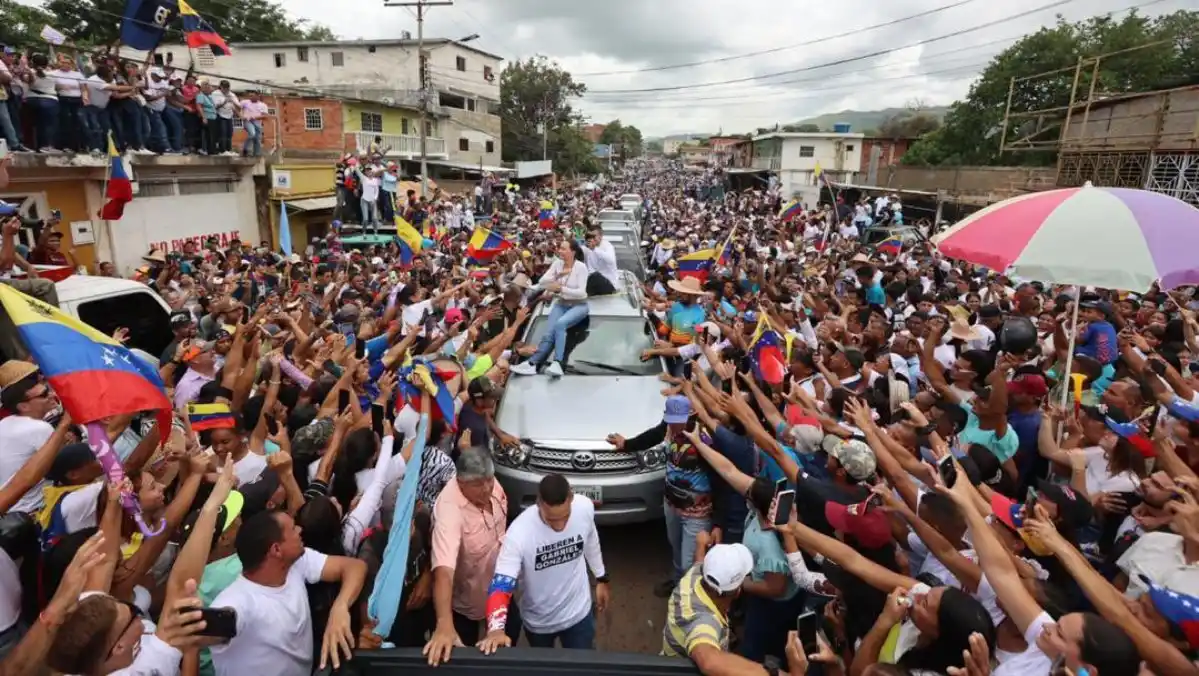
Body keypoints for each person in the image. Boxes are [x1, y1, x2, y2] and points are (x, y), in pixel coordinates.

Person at [208, 510, 368, 675]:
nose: (299, 529)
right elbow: (211, 630)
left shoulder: (297, 563)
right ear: (276, 549)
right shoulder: (237, 601)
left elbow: (355, 567)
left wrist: (340, 607)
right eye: (292, 529)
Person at [479, 474, 608, 653]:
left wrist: (601, 577)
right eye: (552, 520)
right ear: (539, 503)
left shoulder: (584, 507)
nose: (560, 526)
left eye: (565, 517)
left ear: (571, 499)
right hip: (539, 623)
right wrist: (495, 629)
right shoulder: (518, 533)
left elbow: (591, 539)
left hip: (579, 615)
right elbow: (502, 583)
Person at [423, 447, 517, 666]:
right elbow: (444, 572)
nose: (486, 489)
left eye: (489, 480)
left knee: (507, 648)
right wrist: (444, 624)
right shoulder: (449, 511)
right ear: (460, 482)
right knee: (467, 661)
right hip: (467, 601)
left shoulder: (491, 484)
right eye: (477, 484)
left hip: (502, 589)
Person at [510, 239, 590, 378]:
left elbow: (582, 293)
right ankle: (532, 364)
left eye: (564, 249)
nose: (560, 251)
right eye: (560, 248)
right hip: (561, 303)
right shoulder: (557, 264)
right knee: (549, 334)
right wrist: (559, 275)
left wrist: (560, 288)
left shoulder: (581, 267)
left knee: (560, 324)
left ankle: (558, 362)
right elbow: (542, 282)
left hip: (579, 305)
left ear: (573, 252)